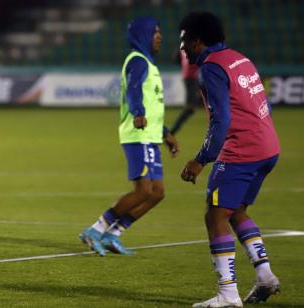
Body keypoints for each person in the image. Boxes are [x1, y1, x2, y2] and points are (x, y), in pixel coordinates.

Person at [179, 12, 281, 307]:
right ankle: (265, 276)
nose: (183, 48)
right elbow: (264, 101)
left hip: (242, 150)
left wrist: (201, 159)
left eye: (185, 40)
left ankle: (228, 295)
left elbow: (221, 120)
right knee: (235, 211)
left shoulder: (210, 68)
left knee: (215, 215)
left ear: (197, 40)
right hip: (267, 146)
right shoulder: (239, 58)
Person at [79, 17, 179, 256]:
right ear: (143, 34)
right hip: (137, 135)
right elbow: (134, 89)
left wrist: (166, 133)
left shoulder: (150, 65)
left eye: (160, 31)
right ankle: (95, 230)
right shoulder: (137, 61)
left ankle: (114, 235)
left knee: (157, 193)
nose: (159, 36)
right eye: (154, 32)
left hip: (150, 136)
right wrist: (138, 112)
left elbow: (152, 106)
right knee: (144, 190)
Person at [169, 49, 200, 135]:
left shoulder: (185, 47)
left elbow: (176, 57)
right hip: (192, 77)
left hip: (191, 77)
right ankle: (172, 131)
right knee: (190, 108)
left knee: (192, 107)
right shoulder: (195, 47)